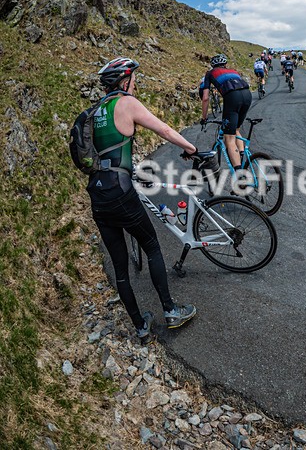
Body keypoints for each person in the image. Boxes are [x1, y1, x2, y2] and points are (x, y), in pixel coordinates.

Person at [89, 57, 197, 344]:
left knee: (120, 265)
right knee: (151, 246)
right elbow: (163, 130)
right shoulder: (126, 103)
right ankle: (171, 311)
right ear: (124, 81)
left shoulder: (95, 111)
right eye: (133, 78)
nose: (135, 83)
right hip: (121, 192)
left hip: (98, 195)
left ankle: (140, 326)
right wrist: (191, 147)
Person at [201, 53, 251, 169]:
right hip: (247, 95)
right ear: (225, 64)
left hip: (232, 97)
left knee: (229, 137)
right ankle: (242, 155)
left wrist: (204, 118)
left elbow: (205, 98)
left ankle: (239, 175)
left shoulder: (209, 74)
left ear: (213, 65)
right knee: (236, 129)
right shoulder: (233, 71)